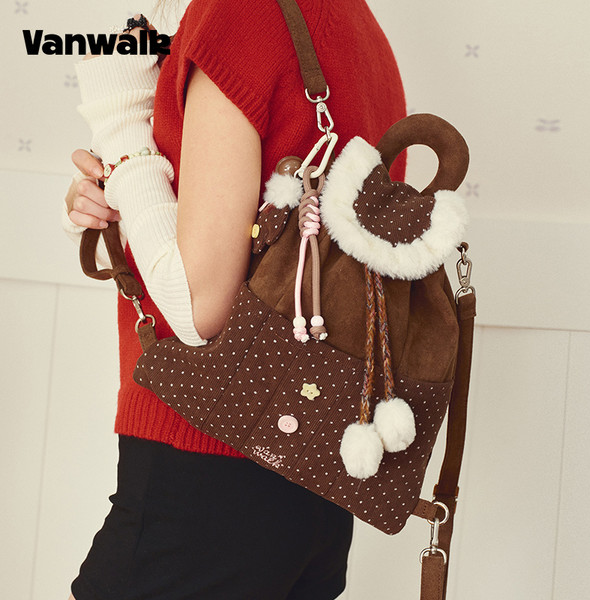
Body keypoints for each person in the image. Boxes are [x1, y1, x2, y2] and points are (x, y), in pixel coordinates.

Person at [63, 1, 407, 598]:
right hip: (316, 475)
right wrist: (120, 192)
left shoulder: (235, 15)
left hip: (204, 468)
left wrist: (121, 122)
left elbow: (201, 310)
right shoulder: (357, 25)